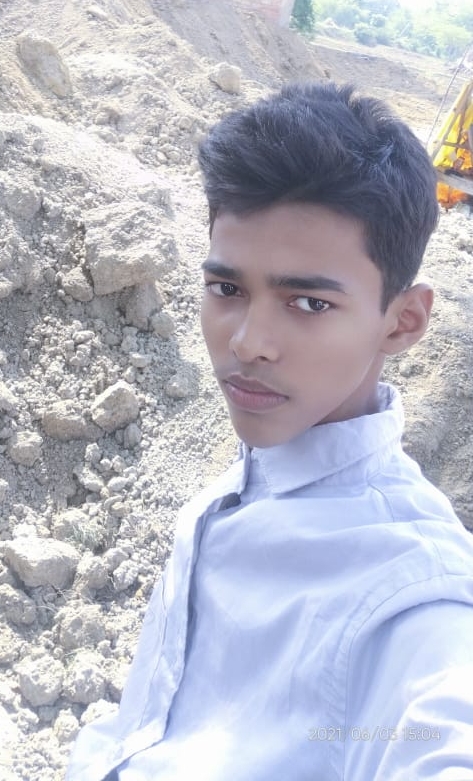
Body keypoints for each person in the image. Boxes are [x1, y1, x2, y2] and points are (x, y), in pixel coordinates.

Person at [67, 82, 473, 781]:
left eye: (308, 302)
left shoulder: (413, 598)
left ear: (402, 321)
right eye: (227, 289)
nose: (248, 342)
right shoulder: (242, 485)